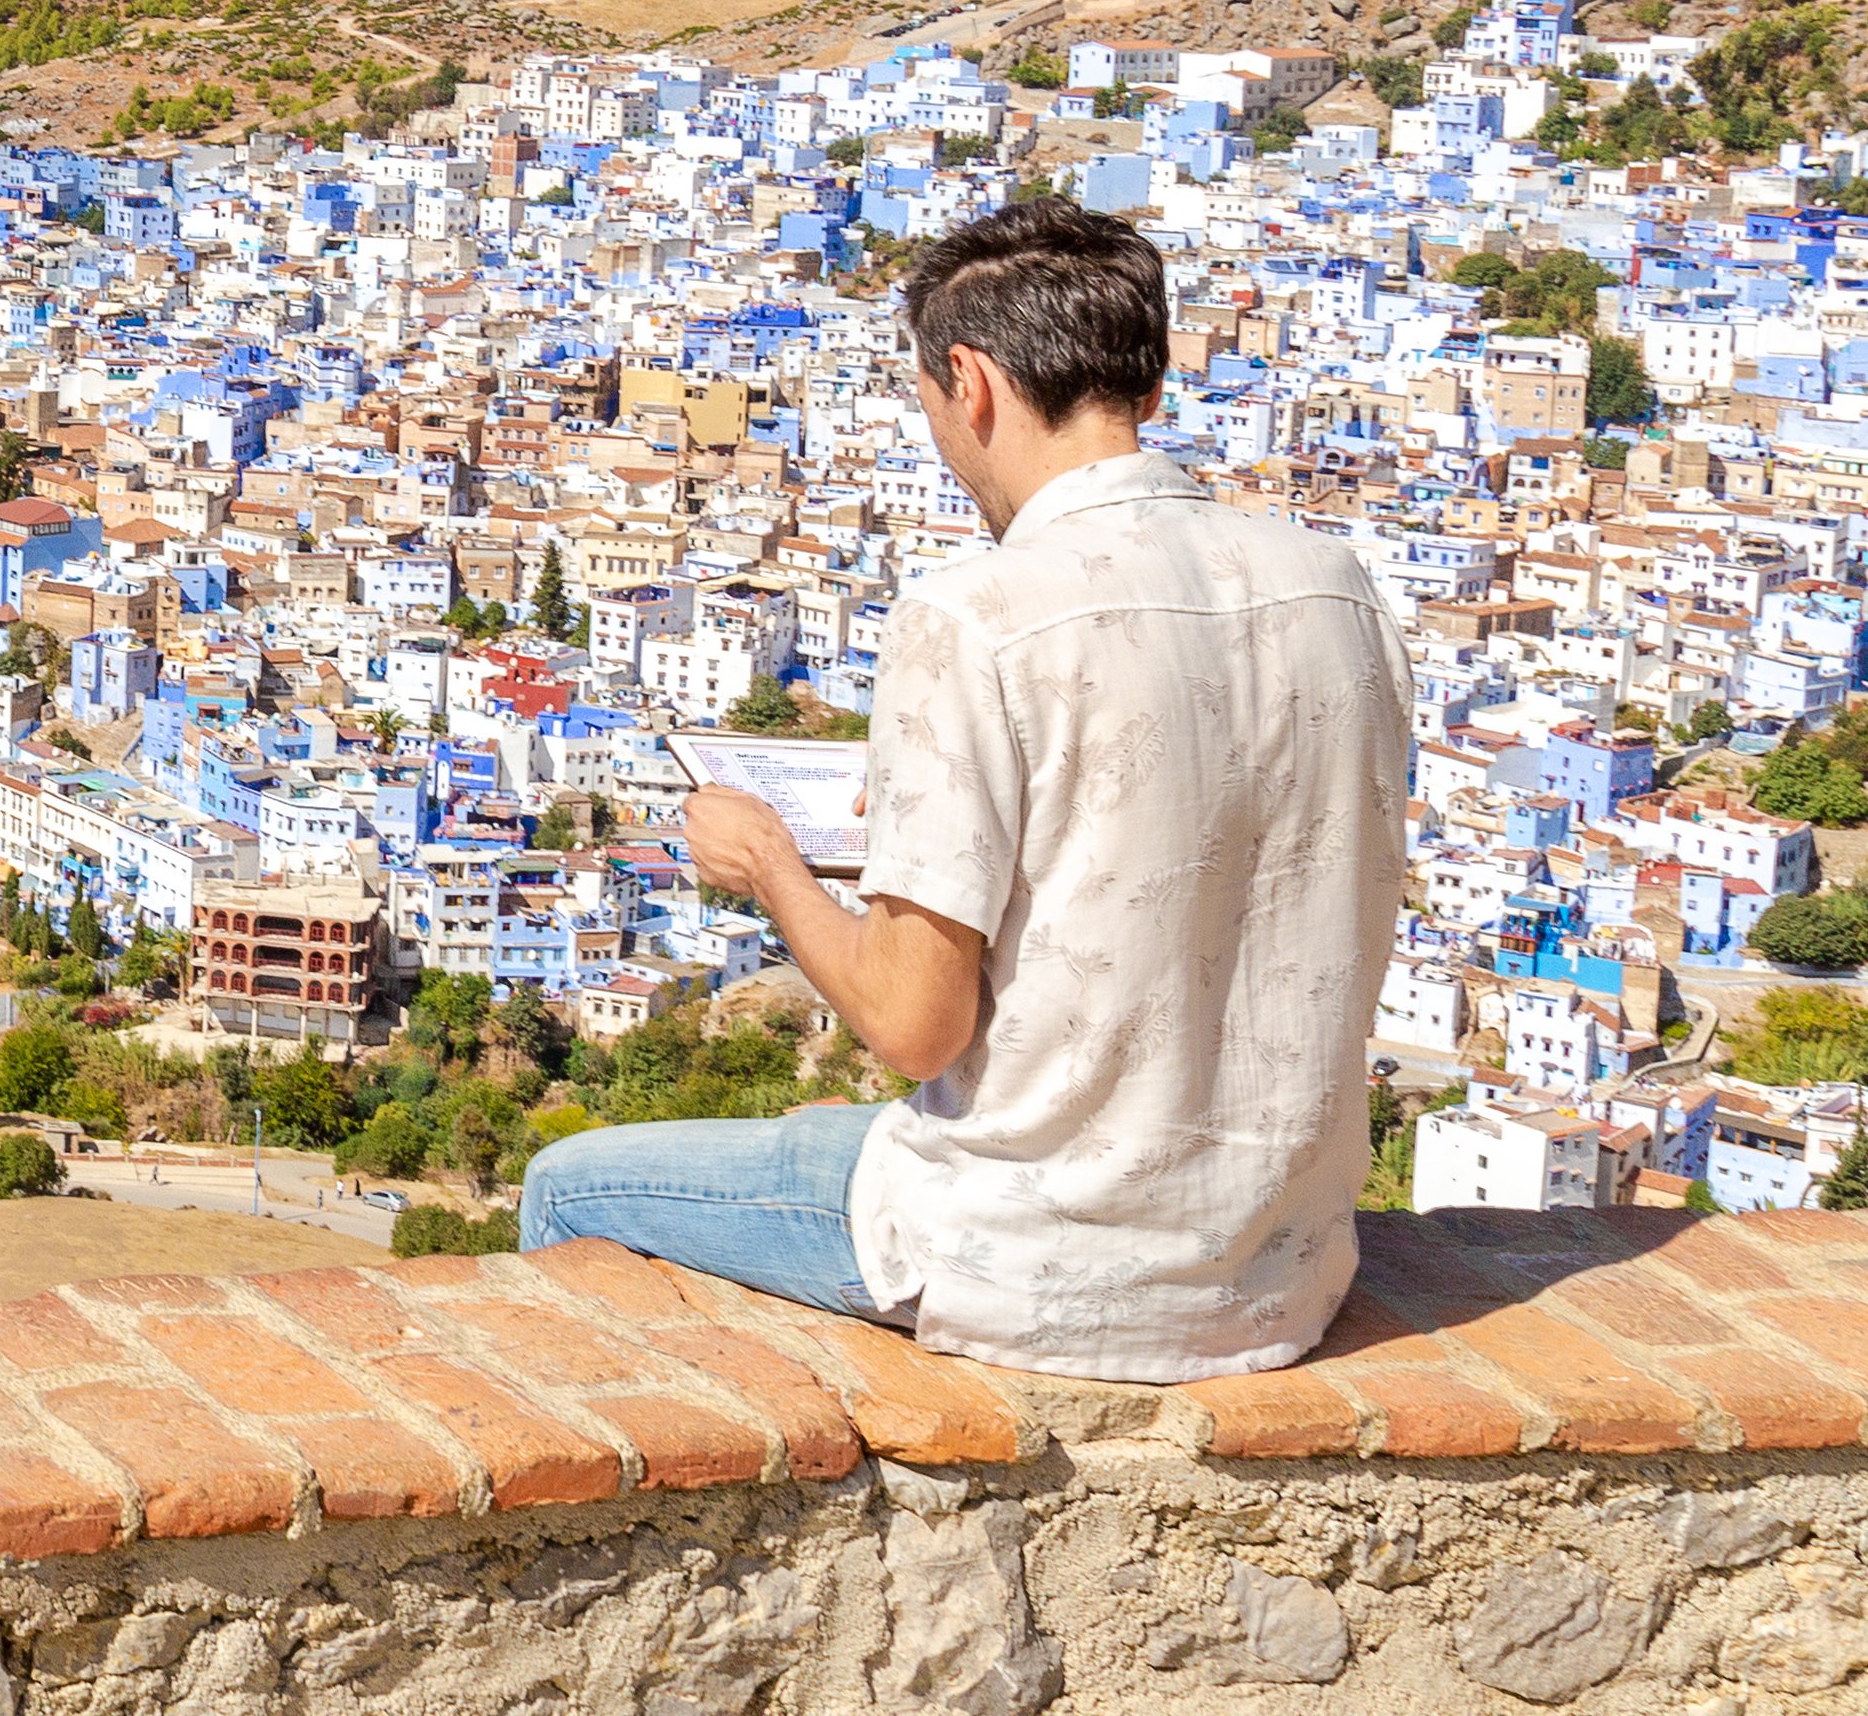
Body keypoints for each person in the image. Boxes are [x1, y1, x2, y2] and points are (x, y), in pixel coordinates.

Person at [517, 196, 1409, 1382]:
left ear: (971, 384)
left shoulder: (977, 616)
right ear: (1143, 387)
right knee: (811, 1136)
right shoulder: (1337, 586)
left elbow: (912, 1025)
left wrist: (771, 866)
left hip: (1035, 1261)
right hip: (1280, 1265)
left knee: (569, 1186)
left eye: (930, 400)